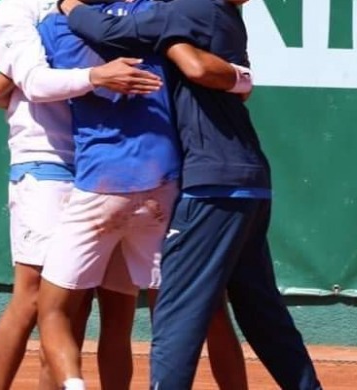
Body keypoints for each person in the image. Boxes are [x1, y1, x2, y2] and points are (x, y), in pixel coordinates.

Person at [59, 0, 324, 389]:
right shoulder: (222, 17)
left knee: (176, 312)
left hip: (212, 186)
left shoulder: (188, 8)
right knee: (262, 313)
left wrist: (68, 4)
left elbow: (107, 32)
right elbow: (213, 73)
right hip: (249, 182)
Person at [34, 1, 253, 389]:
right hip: (161, 188)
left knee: (52, 310)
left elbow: (16, 84)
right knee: (200, 312)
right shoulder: (156, 13)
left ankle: (73, 385)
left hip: (99, 187)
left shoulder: (55, 27)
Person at [0, 0, 163, 389]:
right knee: (36, 297)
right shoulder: (20, 8)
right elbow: (29, 81)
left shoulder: (114, 8)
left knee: (109, 309)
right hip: (47, 160)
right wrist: (97, 75)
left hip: (105, 166)